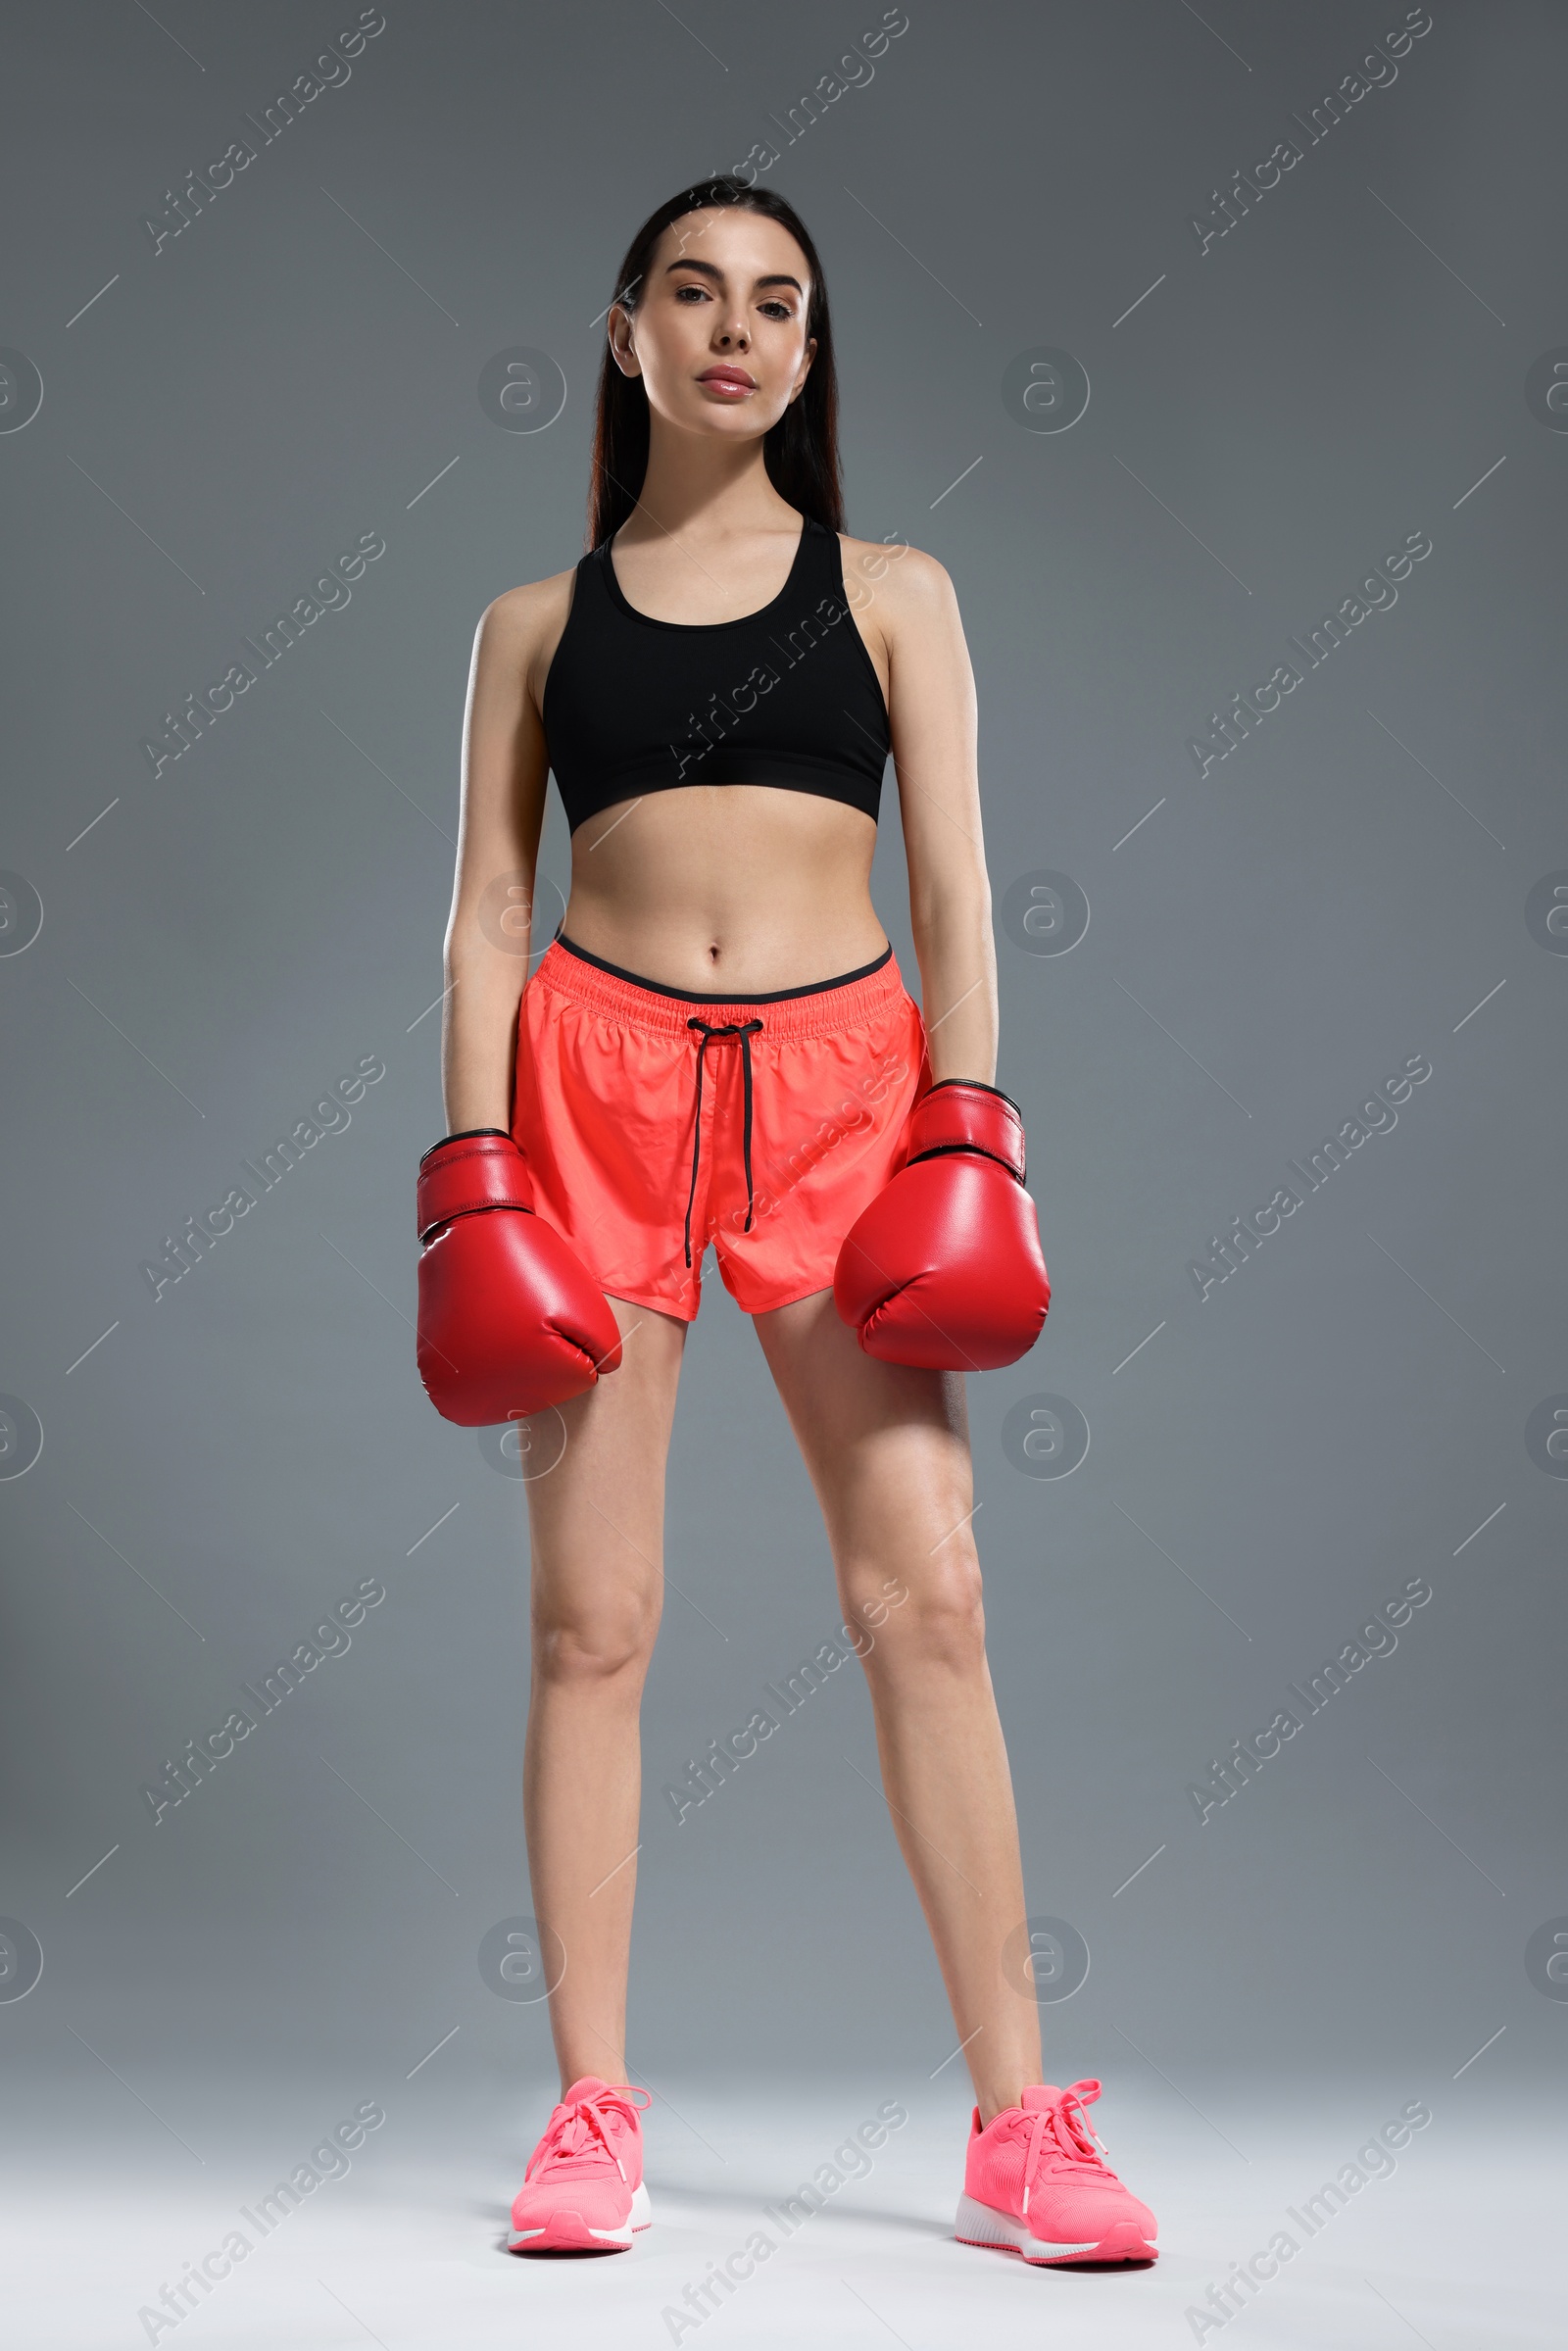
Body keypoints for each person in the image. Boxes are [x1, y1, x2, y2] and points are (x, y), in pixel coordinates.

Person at [414, 175, 1157, 2271]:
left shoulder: (897, 591)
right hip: (587, 1090)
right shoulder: (531, 627)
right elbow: (482, 911)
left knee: (926, 1595)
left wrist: (965, 1125)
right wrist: (469, 1175)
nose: (734, 330)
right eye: (692, 294)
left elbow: (952, 895)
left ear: (807, 358)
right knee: (594, 1620)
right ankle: (587, 2108)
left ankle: (1017, 2122)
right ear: (626, 334)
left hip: (840, 1093)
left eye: (777, 305)